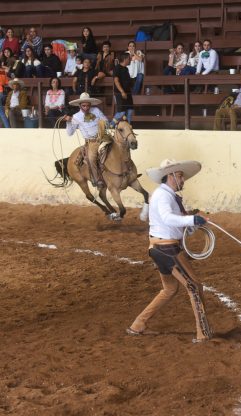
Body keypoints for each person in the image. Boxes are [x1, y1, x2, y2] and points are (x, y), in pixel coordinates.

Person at [127, 158, 213, 344]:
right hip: (167, 248)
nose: (183, 180)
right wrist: (192, 220)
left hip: (160, 247)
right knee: (194, 286)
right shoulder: (163, 196)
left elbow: (175, 221)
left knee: (170, 288)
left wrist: (193, 221)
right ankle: (202, 332)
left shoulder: (166, 195)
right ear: (171, 176)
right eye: (180, 175)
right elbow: (167, 218)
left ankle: (139, 323)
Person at [64, 92, 109, 188]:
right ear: (79, 105)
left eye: (88, 105)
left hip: (103, 137)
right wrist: (68, 122)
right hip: (91, 142)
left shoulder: (96, 110)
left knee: (118, 145)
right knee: (91, 157)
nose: (86, 108)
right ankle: (97, 180)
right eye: (83, 106)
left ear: (90, 104)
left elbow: (105, 120)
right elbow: (70, 133)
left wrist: (103, 123)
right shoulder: (76, 117)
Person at [112, 52, 133, 124]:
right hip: (120, 93)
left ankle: (128, 129)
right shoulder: (117, 68)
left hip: (128, 93)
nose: (130, 60)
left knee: (130, 111)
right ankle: (110, 126)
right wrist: (122, 92)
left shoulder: (126, 69)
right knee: (121, 112)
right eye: (129, 59)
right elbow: (116, 81)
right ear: (125, 59)